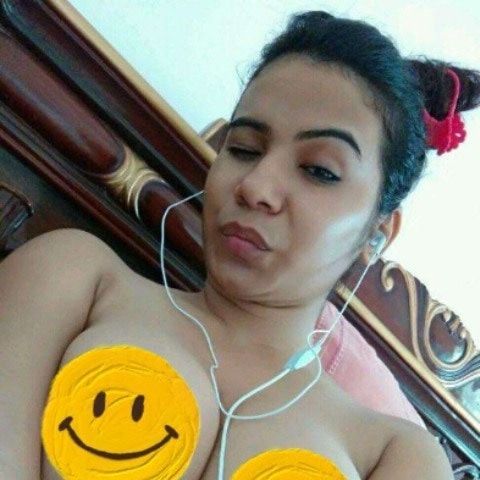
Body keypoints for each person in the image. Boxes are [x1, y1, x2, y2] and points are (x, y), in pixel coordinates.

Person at [1, 10, 479, 480]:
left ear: (376, 234)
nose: (255, 186)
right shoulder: (78, 277)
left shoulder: (396, 455)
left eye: (319, 170)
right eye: (244, 149)